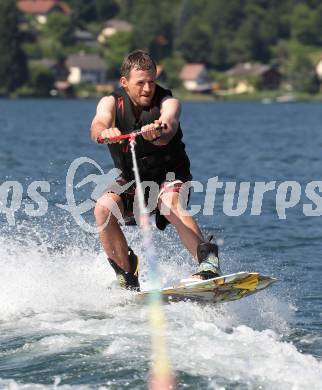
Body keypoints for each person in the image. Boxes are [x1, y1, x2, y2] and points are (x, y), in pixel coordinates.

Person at [90, 50, 221, 291]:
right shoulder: (110, 102)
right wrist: (104, 132)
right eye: (140, 83)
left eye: (151, 81)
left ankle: (207, 264)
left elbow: (169, 125)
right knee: (102, 210)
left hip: (170, 175)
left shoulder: (168, 102)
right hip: (133, 178)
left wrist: (158, 131)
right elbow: (98, 123)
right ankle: (127, 273)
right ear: (124, 82)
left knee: (168, 203)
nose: (147, 88)